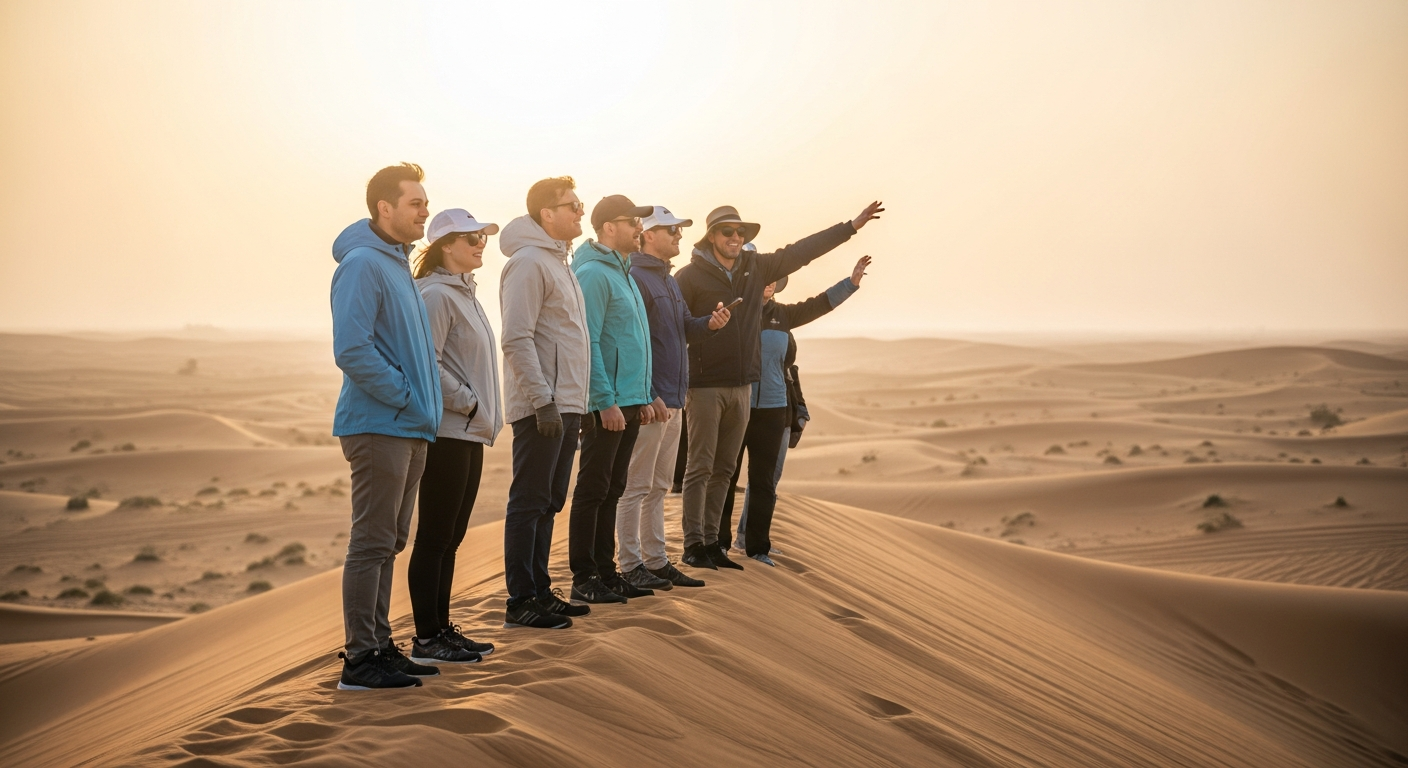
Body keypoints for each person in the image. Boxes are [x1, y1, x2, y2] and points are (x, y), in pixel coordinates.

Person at [674, 201, 884, 570]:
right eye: (728, 232)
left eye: (741, 232)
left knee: (728, 471)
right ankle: (697, 544)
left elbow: (802, 252)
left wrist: (850, 227)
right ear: (711, 236)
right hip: (705, 385)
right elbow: (675, 330)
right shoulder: (689, 277)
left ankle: (722, 546)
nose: (736, 238)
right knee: (702, 468)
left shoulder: (761, 277)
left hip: (749, 391)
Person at [330, 162, 443, 690]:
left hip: (409, 425)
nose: (425, 211)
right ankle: (360, 659)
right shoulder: (362, 264)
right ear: (385, 208)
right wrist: (404, 397)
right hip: (381, 424)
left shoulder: (397, 265)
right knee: (371, 541)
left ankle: (379, 643)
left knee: (390, 540)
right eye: (416, 203)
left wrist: (420, 408)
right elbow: (352, 349)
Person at [720, 256, 871, 565]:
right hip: (737, 406)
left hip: (774, 409)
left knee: (764, 482)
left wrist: (851, 283)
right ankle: (718, 544)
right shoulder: (733, 313)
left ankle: (757, 546)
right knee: (726, 476)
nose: (770, 282)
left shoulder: (783, 316)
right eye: (764, 277)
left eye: (774, 278)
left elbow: (819, 304)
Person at [406, 208, 504, 663]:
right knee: (435, 535)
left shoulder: (464, 293)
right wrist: (467, 401)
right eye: (472, 239)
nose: (480, 244)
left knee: (452, 535)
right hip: (448, 429)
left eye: (482, 237)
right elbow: (428, 364)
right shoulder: (435, 295)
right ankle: (427, 637)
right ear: (446, 245)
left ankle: (443, 628)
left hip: (470, 431)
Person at [616, 207, 730, 591]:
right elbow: (634, 346)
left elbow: (684, 329)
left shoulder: (667, 279)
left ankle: (656, 561)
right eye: (671, 230)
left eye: (680, 230)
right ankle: (630, 564)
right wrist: (648, 395)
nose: (679, 236)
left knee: (661, 484)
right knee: (636, 485)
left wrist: (710, 325)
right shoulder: (636, 277)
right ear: (648, 234)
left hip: (674, 399)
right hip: (651, 403)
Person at [498, 176, 593, 629]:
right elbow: (517, 338)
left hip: (568, 402)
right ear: (545, 215)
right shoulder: (529, 263)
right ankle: (520, 601)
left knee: (551, 499)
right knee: (530, 500)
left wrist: (577, 403)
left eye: (580, 204)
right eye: (571, 205)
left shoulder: (560, 262)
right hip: (543, 405)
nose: (579, 211)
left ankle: (539, 590)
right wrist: (544, 401)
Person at [565, 195, 659, 604]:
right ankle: (584, 576)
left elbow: (634, 342)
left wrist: (647, 393)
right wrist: (604, 401)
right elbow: (591, 343)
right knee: (593, 488)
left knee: (614, 486)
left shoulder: (625, 273)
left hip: (630, 400)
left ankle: (606, 570)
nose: (640, 229)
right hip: (608, 404)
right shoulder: (593, 274)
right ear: (607, 228)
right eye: (632, 222)